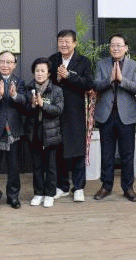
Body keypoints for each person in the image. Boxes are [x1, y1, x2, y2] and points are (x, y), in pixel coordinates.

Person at [93, 34, 136, 202]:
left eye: (119, 45)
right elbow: (96, 85)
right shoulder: (101, 64)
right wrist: (109, 79)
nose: (115, 48)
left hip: (126, 116)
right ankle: (106, 186)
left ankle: (128, 187)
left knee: (127, 154)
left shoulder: (134, 66)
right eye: (113, 45)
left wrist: (121, 80)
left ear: (126, 48)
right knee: (106, 154)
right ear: (109, 47)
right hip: (106, 115)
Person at [49, 29, 93, 202]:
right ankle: (62, 186)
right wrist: (57, 79)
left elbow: (88, 83)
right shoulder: (52, 60)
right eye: (61, 41)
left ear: (75, 43)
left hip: (75, 111)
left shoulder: (83, 61)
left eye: (67, 41)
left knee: (77, 150)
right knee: (59, 150)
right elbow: (46, 81)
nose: (64, 44)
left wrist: (69, 76)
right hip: (56, 111)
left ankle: (79, 187)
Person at [0, 51, 27, 211]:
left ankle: (13, 196)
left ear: (14, 65)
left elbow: (25, 102)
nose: (5, 65)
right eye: (2, 61)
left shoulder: (20, 82)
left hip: (13, 129)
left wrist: (15, 95)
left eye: (9, 62)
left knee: (14, 166)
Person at [25, 58, 64, 208]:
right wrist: (32, 105)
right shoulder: (28, 88)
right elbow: (23, 109)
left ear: (48, 73)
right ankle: (38, 193)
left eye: (43, 71)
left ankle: (50, 194)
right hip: (34, 132)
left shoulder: (56, 90)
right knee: (37, 166)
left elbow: (59, 109)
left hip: (51, 133)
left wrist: (43, 105)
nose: (39, 73)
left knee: (51, 166)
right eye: (37, 71)